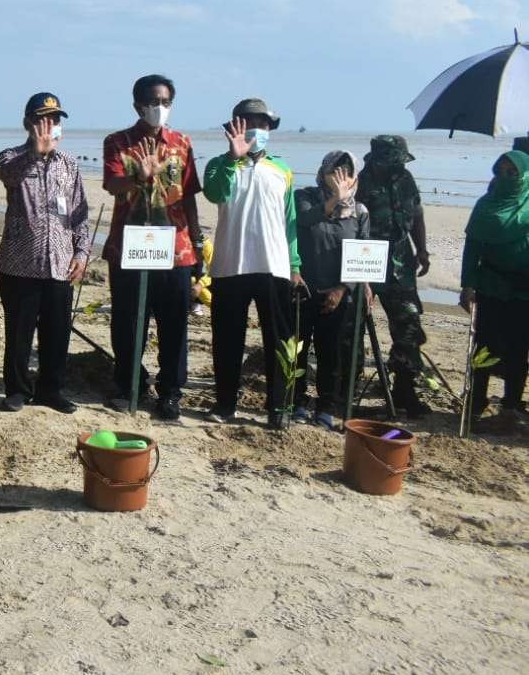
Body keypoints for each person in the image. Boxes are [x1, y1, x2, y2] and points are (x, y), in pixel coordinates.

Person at [101, 74, 203, 420]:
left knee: (174, 322)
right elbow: (112, 185)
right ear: (138, 105)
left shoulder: (182, 143)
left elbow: (188, 195)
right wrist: (140, 177)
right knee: (129, 322)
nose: (160, 108)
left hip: (175, 248)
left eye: (166, 102)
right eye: (153, 102)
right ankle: (128, 384)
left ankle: (171, 391)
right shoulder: (118, 142)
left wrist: (199, 242)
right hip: (130, 246)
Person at [203, 98, 305, 429]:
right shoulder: (219, 164)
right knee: (227, 339)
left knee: (279, 340)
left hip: (273, 266)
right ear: (235, 126)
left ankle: (279, 408)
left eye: (263, 124)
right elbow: (214, 193)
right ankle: (225, 404)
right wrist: (233, 157)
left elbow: (290, 223)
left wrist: (295, 265)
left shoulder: (282, 170)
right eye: (249, 123)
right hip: (229, 265)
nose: (257, 130)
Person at [0, 92, 88, 414]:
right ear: (27, 124)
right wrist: (35, 153)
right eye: (42, 120)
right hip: (20, 264)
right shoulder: (11, 157)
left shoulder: (69, 164)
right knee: (19, 332)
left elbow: (79, 214)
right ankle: (18, 389)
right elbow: (8, 176)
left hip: (59, 264)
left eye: (55, 120)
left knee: (57, 332)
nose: (50, 127)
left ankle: (51, 389)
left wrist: (82, 252)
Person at [357, 135, 434, 417]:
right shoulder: (359, 182)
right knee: (351, 325)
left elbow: (417, 213)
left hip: (401, 261)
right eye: (393, 163)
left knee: (409, 324)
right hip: (365, 258)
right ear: (378, 160)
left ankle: (404, 388)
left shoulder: (406, 179)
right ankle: (346, 386)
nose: (397, 167)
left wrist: (422, 250)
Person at [293, 151, 370, 429]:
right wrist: (335, 198)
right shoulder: (304, 197)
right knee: (297, 349)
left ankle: (325, 406)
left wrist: (342, 289)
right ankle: (297, 401)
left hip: (338, 294)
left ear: (355, 178)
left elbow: (362, 255)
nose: (341, 179)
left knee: (331, 352)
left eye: (347, 174)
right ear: (322, 172)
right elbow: (304, 221)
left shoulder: (360, 212)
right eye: (334, 173)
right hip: (303, 288)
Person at [459, 150, 529, 423]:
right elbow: (472, 247)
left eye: (512, 172)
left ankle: (511, 404)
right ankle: (477, 401)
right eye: (501, 172)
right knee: (484, 346)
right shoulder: (485, 205)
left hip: (524, 290)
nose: (506, 177)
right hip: (491, 285)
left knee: (518, 348)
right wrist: (467, 285)